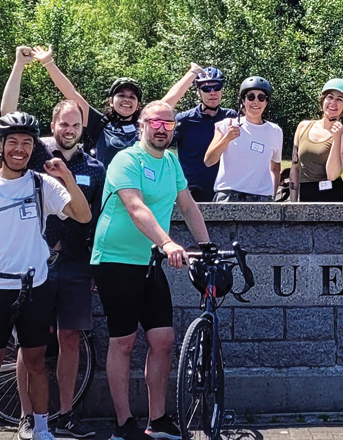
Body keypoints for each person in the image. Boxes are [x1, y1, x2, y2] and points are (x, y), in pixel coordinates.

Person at [0, 113, 92, 440]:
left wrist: (67, 178)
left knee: (36, 361)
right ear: (1, 146)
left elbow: (83, 215)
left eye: (27, 143)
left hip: (34, 287)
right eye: (13, 143)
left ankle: (42, 428)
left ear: (34, 147)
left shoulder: (41, 184)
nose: (20, 149)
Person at [1, 48, 108, 439]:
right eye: (63, 122)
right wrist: (20, 65)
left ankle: (65, 414)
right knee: (28, 343)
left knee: (69, 339)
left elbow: (97, 220)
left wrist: (97, 267)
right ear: (53, 124)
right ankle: (29, 417)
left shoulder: (95, 168)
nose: (69, 128)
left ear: (82, 126)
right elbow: (5, 114)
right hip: (35, 263)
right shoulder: (36, 155)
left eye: (75, 123)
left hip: (78, 265)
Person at [92, 101, 213, 440]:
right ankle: (123, 425)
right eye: (156, 122)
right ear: (142, 125)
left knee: (163, 339)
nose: (162, 128)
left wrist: (206, 247)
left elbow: (187, 206)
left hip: (149, 261)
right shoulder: (127, 160)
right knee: (124, 342)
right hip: (115, 259)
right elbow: (135, 207)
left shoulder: (171, 162)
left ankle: (157, 420)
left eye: (169, 123)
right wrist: (167, 242)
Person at [20, 46, 200, 161]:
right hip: (106, 195)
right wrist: (48, 62)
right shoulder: (99, 123)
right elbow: (71, 93)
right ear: (111, 101)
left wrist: (192, 73)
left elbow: (169, 100)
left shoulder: (145, 123)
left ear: (139, 104)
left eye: (132, 97)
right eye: (121, 95)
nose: (127, 99)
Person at [202, 76, 283, 202]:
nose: (256, 102)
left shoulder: (275, 131)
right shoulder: (226, 125)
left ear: (266, 102)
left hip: (262, 198)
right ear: (243, 101)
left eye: (261, 98)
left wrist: (271, 195)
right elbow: (208, 160)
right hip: (229, 196)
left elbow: (275, 168)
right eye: (251, 97)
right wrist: (226, 139)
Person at [174, 67, 238, 202]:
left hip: (224, 191)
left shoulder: (231, 117)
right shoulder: (184, 120)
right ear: (198, 93)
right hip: (192, 192)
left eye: (217, 87)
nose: (212, 92)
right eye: (206, 89)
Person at [291, 79, 343, 202]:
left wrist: (337, 138)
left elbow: (332, 175)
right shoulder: (303, 127)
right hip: (306, 196)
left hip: (334, 199)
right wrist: (292, 204)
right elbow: (295, 168)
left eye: (339, 99)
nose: (333, 103)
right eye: (330, 97)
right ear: (323, 100)